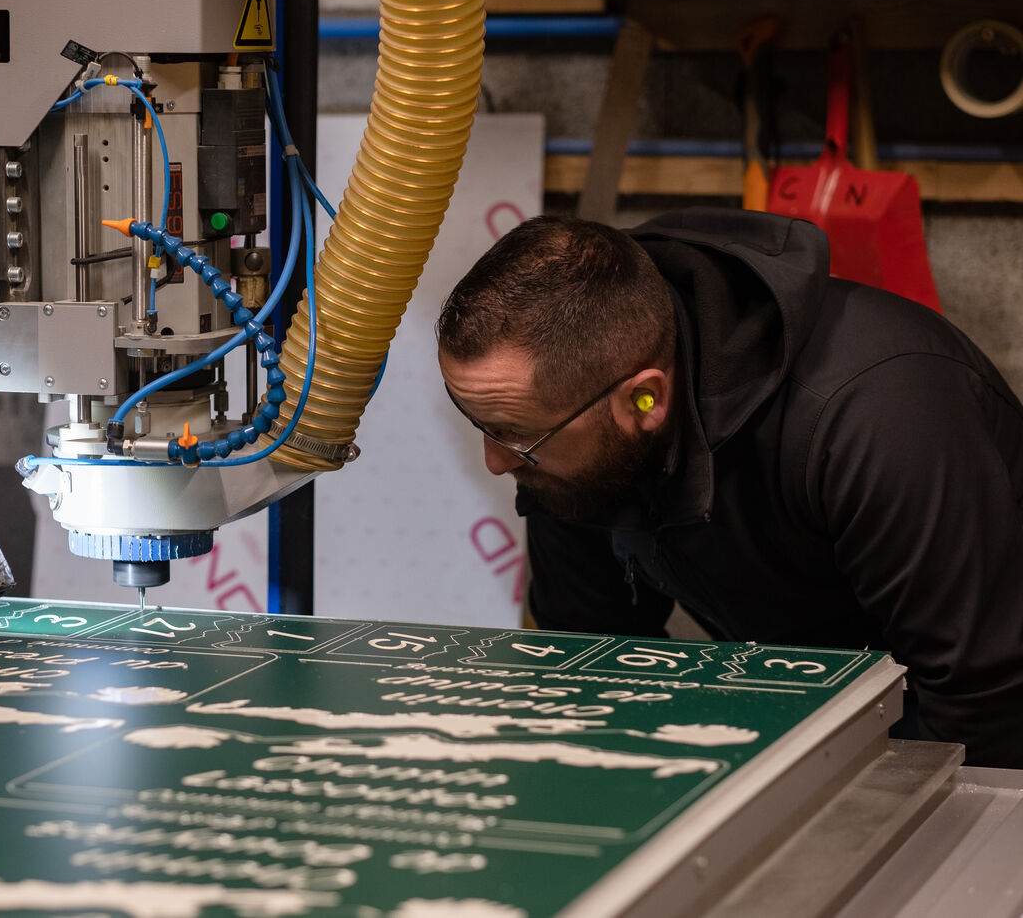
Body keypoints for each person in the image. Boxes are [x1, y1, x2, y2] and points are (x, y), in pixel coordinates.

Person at [436, 206, 1023, 768]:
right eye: (481, 425)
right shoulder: (573, 427)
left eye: (516, 436)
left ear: (645, 398)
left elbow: (985, 704)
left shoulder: (875, 416)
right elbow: (590, 662)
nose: (495, 461)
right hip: (810, 708)